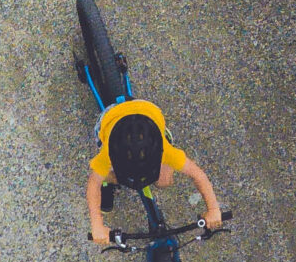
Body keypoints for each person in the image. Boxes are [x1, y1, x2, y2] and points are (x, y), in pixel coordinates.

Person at [85, 97, 222, 246]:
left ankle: (165, 135)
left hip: (147, 112)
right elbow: (94, 183)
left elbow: (198, 175)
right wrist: (96, 224)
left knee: (164, 181)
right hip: (112, 115)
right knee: (106, 176)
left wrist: (214, 209)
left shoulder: (165, 150)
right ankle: (110, 183)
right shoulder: (108, 151)